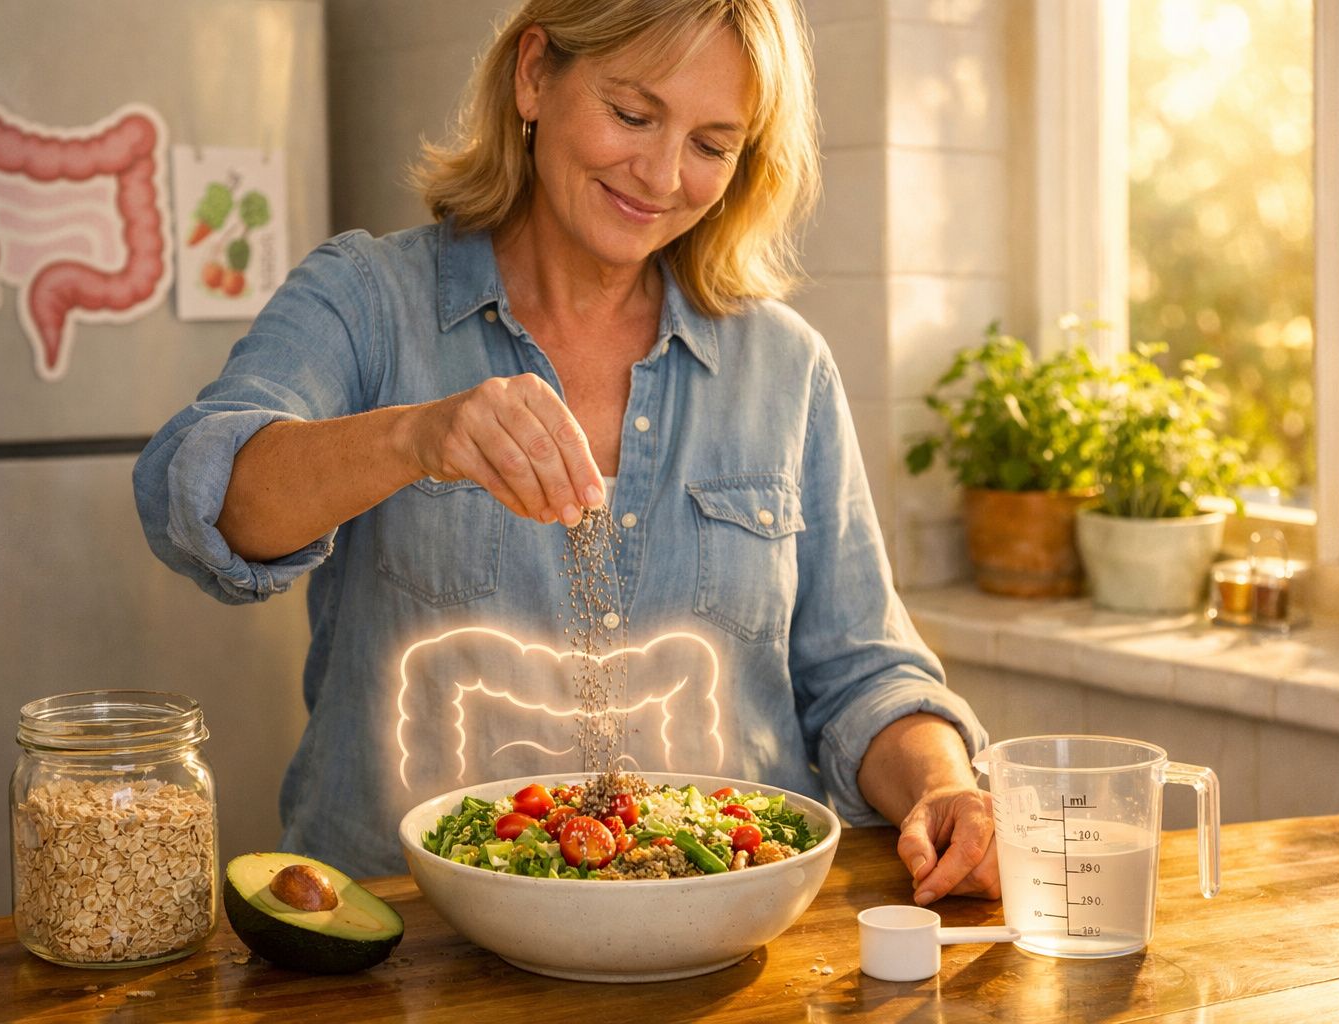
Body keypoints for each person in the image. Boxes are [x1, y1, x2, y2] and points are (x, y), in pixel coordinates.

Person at [134, 0, 998, 906]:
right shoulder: (369, 302)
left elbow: (863, 674)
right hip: (401, 934)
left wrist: (943, 787)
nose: (662, 175)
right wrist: (413, 437)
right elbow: (198, 499)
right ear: (534, 74)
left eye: (711, 145)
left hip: (724, 931)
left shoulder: (784, 367)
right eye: (632, 114)